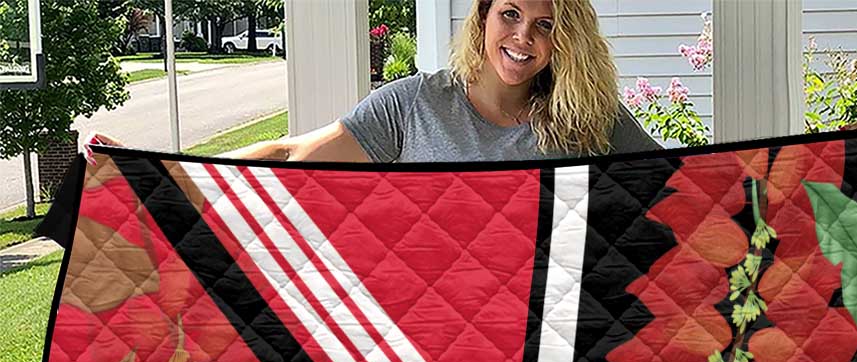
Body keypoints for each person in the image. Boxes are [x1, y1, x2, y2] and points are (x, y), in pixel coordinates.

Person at [89, 0, 660, 163]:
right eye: (510, 14)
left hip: (544, 346)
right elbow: (294, 152)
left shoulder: (588, 118)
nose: (522, 37)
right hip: (423, 336)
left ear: (564, 40)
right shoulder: (414, 104)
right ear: (483, 17)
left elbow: (682, 189)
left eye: (544, 25)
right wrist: (154, 166)